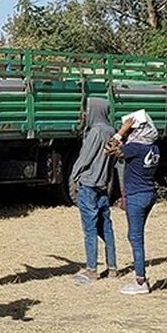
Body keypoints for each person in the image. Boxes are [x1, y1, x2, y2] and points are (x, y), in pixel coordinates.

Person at [109, 109, 161, 295]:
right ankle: (140, 278)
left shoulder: (135, 148)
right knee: (135, 236)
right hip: (149, 193)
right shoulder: (153, 147)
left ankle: (140, 281)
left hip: (136, 196)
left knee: (136, 239)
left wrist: (122, 131)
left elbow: (109, 148)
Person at [69, 96, 120, 283]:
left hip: (89, 185)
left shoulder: (96, 133)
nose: (85, 114)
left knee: (90, 229)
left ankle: (92, 269)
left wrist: (74, 177)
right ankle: (112, 267)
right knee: (106, 227)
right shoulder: (111, 132)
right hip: (103, 185)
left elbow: (84, 158)